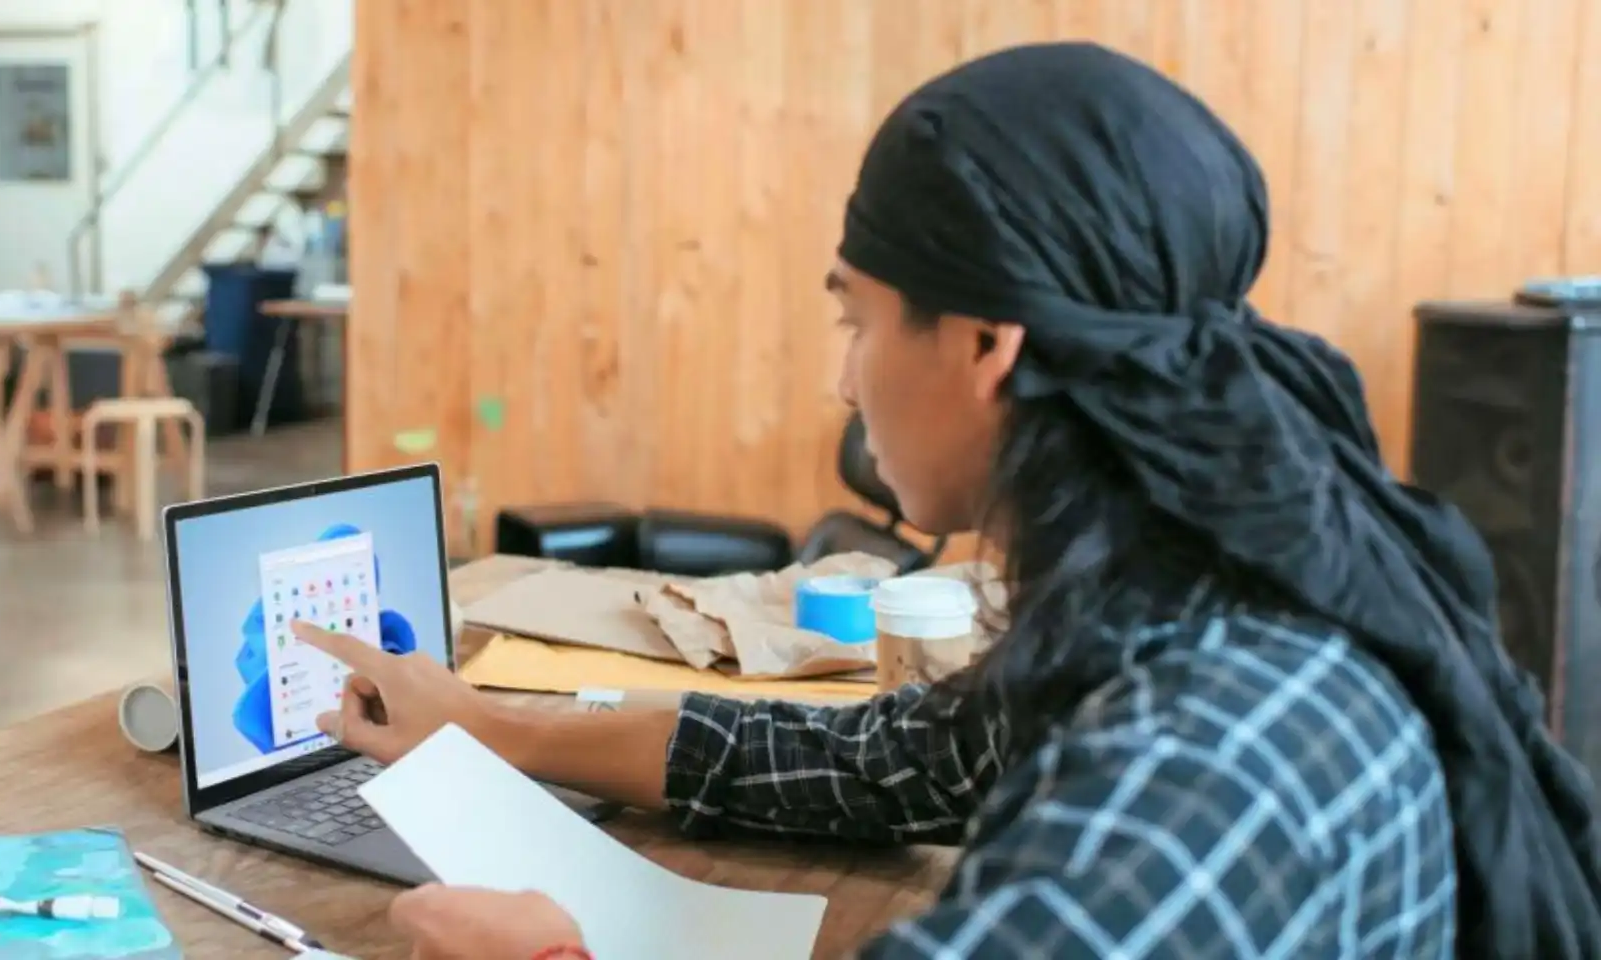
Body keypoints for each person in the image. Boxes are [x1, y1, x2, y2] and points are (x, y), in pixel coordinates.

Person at [295, 41, 1601, 958]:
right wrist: (487, 724)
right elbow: (881, 759)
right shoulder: (1175, 601)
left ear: (987, 344)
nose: (846, 376)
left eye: (857, 321)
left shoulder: (1199, 762)